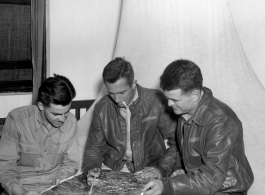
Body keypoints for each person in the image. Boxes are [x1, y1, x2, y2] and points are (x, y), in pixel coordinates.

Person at [142, 59, 254, 195]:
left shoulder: (220, 120)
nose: (169, 104)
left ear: (195, 95)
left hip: (226, 190)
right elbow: (180, 148)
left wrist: (168, 185)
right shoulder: (184, 109)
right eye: (167, 98)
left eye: (175, 100)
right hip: (203, 184)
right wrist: (179, 169)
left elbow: (213, 177)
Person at [82, 57, 177, 185]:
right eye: (111, 93)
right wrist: (91, 169)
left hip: (149, 168)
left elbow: (177, 141)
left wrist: (161, 169)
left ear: (133, 83)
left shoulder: (156, 101)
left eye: (122, 92)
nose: (116, 99)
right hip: (112, 167)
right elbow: (94, 147)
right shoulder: (102, 107)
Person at [0, 74, 80, 195]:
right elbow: (5, 165)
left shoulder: (71, 122)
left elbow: (71, 163)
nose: (63, 119)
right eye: (56, 114)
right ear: (41, 106)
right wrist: (21, 192)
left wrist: (60, 182)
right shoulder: (17, 120)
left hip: (55, 188)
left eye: (66, 112)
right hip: (22, 188)